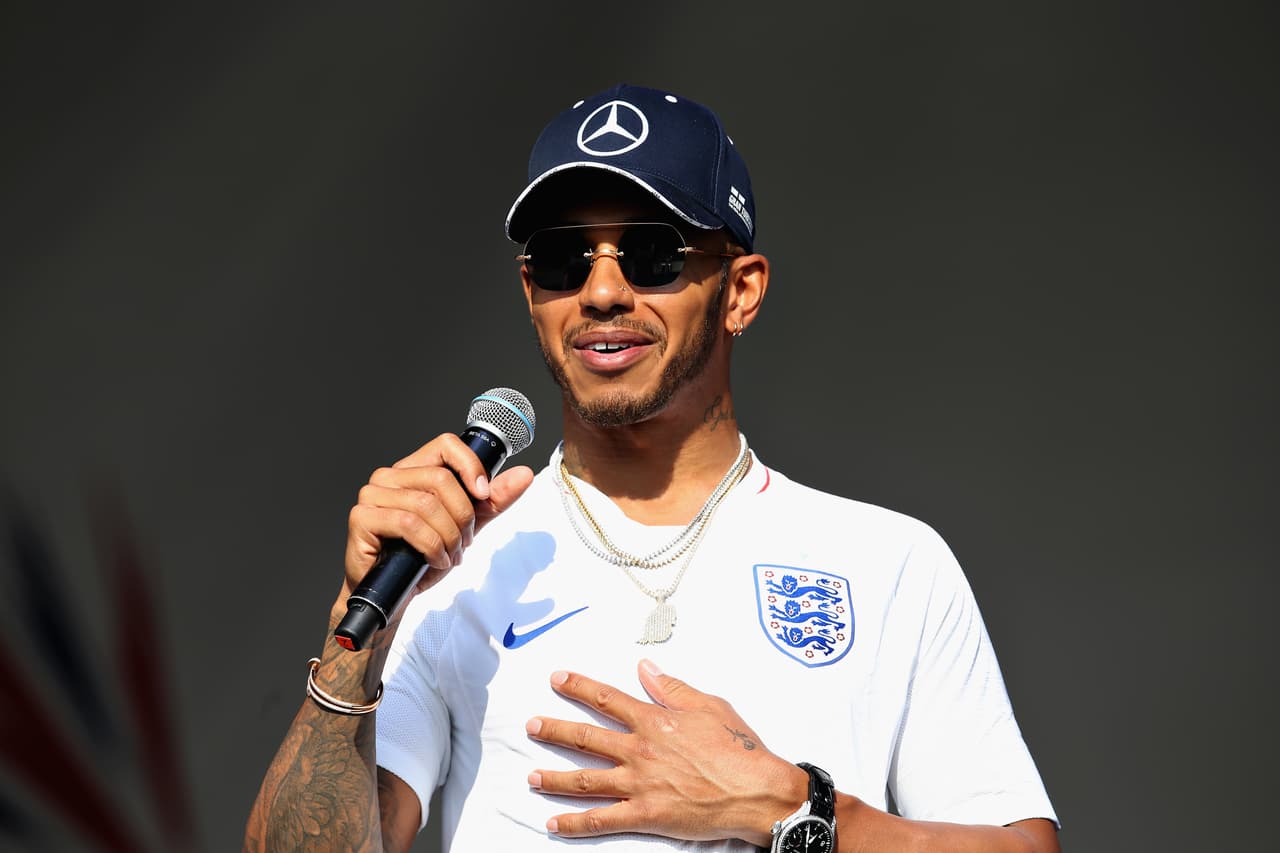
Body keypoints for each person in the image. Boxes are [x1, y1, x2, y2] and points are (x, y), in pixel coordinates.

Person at [245, 84, 1060, 853]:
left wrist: (787, 807)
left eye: (652, 253)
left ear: (741, 290)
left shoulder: (890, 563)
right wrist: (356, 632)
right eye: (564, 258)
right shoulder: (449, 565)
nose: (601, 291)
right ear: (531, 291)